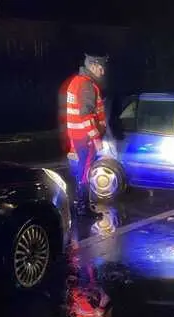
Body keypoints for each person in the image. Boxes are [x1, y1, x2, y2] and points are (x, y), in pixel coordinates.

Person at [59, 54, 109, 218]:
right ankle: (83, 207)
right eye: (101, 67)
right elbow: (86, 115)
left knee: (81, 169)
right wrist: (96, 139)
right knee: (85, 170)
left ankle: (78, 205)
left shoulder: (76, 82)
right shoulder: (87, 85)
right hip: (85, 138)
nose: (103, 71)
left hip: (77, 135)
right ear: (93, 66)